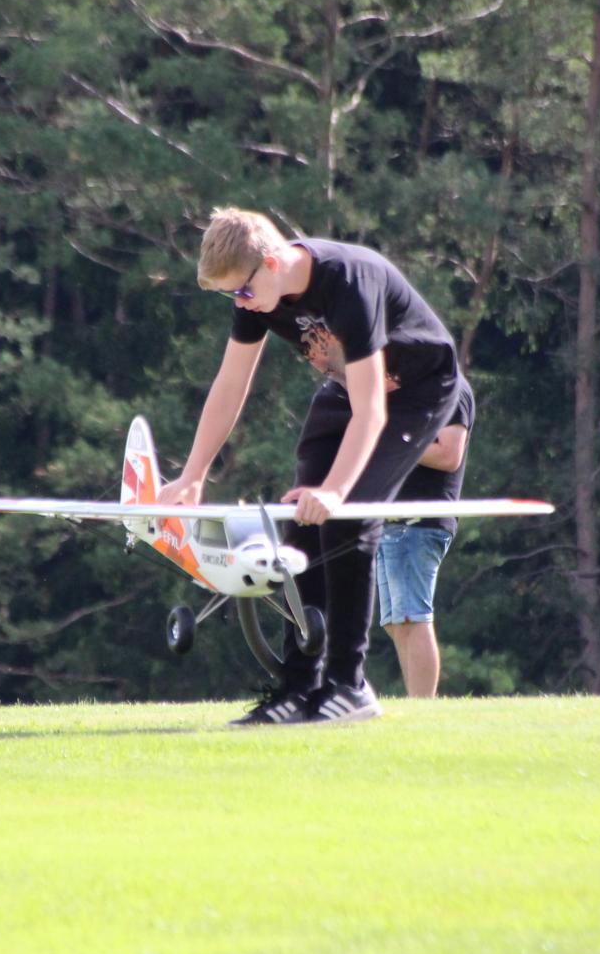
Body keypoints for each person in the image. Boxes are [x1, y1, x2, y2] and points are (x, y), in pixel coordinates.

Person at [157, 207, 462, 726]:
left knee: (345, 519)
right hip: (348, 390)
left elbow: (373, 410)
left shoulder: (349, 283)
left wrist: (337, 490)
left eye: (242, 291)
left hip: (416, 393)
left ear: (273, 263)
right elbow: (230, 385)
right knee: (300, 523)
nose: (240, 302)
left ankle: (350, 686)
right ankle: (299, 688)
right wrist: (193, 474)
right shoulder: (256, 297)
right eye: (230, 296)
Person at [375, 375, 473, 698]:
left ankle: (423, 708)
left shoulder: (451, 387)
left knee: (412, 618)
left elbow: (448, 455)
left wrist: (390, 443)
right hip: (391, 522)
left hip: (419, 522)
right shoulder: (412, 387)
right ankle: (417, 704)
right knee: (396, 622)